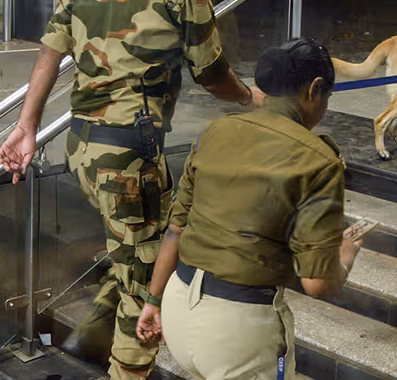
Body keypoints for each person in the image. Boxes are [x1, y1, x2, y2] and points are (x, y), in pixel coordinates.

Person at [0, 0, 264, 380]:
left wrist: (27, 126)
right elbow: (212, 74)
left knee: (136, 247)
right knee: (148, 287)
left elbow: (50, 51)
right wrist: (250, 98)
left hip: (83, 148)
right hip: (129, 163)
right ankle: (124, 366)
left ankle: (89, 335)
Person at [134, 39, 364, 380]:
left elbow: (176, 230)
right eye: (327, 97)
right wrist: (343, 257)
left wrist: (152, 302)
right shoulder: (318, 159)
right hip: (238, 332)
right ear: (315, 89)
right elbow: (317, 283)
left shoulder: (215, 131)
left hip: (177, 307)